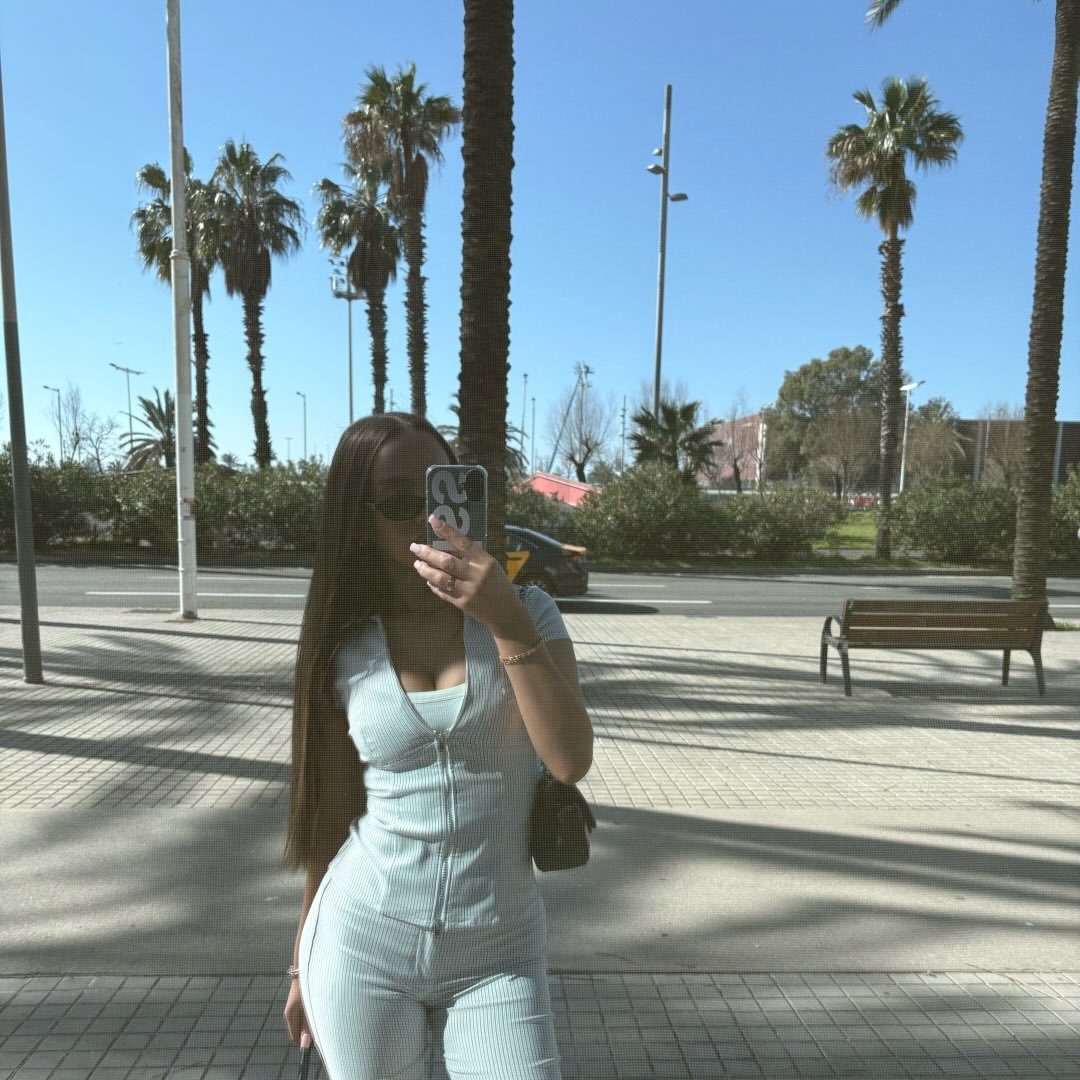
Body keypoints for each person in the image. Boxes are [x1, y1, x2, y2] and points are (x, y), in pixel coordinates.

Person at [281, 412, 593, 1079]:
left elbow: (569, 759)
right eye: (398, 503)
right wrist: (302, 960)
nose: (427, 517)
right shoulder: (347, 638)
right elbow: (329, 813)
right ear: (358, 520)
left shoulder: (529, 611)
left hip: (499, 955)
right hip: (362, 941)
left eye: (439, 490)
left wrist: (503, 618)